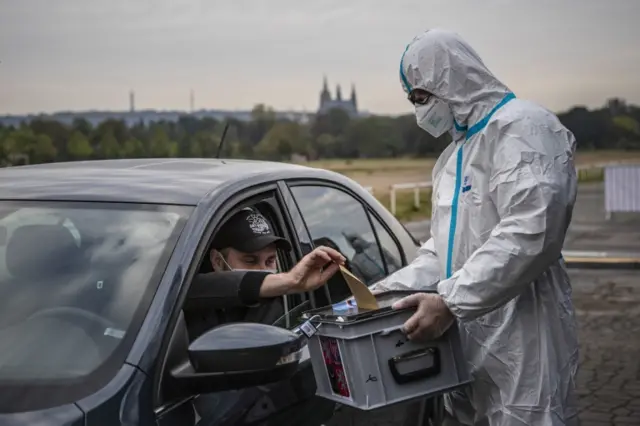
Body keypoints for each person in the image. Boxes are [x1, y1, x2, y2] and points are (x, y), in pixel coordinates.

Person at [373, 29, 580, 426]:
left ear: (448, 81)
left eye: (420, 97)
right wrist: (382, 294)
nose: (419, 111)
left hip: (523, 332)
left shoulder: (524, 128)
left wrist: (450, 302)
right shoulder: (456, 156)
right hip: (467, 336)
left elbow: (532, 232)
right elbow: (444, 252)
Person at [185, 209, 345, 339]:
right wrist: (290, 280)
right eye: (250, 260)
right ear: (218, 262)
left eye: (270, 261)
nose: (263, 271)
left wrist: (290, 282)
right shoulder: (183, 299)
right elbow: (192, 289)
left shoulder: (276, 306)